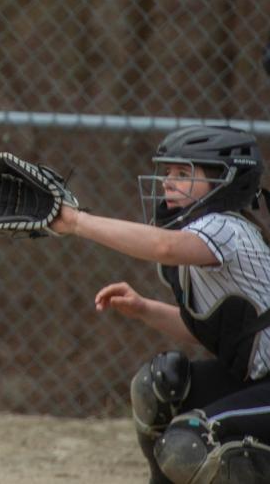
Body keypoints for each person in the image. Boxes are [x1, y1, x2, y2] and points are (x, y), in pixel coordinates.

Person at [50, 125, 270, 484]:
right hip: (255, 379)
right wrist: (144, 309)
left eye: (183, 174)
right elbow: (217, 334)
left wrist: (75, 221)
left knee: (193, 441)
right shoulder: (200, 236)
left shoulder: (226, 228)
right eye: (168, 172)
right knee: (159, 385)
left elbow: (163, 246)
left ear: (225, 181)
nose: (168, 182)